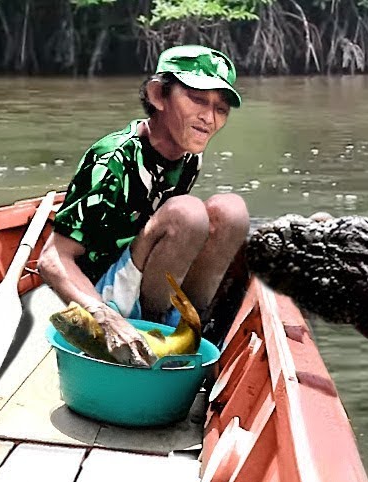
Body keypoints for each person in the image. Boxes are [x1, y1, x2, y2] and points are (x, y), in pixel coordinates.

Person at [38, 45, 250, 367]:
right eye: (196, 100)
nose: (209, 118)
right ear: (158, 96)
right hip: (102, 294)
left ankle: (189, 331)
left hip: (144, 273)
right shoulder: (112, 161)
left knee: (231, 211)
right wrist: (105, 317)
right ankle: (152, 330)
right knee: (188, 214)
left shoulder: (189, 154)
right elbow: (53, 259)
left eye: (221, 109)